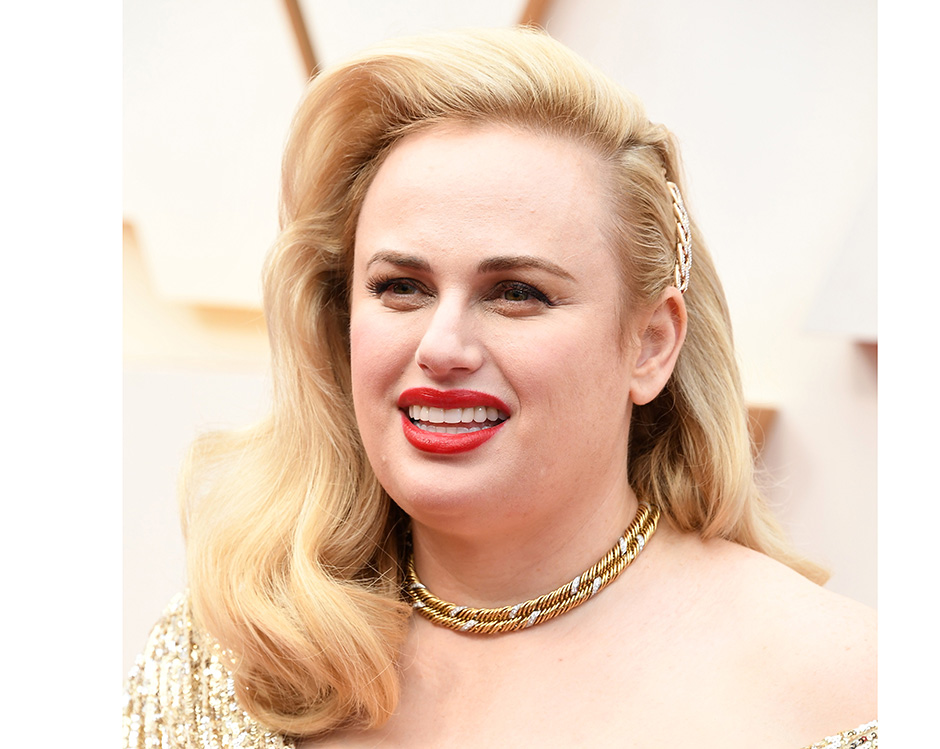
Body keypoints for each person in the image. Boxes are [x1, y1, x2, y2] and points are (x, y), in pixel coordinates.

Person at [124, 27, 876, 748]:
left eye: (517, 292)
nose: (441, 347)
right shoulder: (225, 656)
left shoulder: (855, 690)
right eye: (400, 287)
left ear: (651, 344)